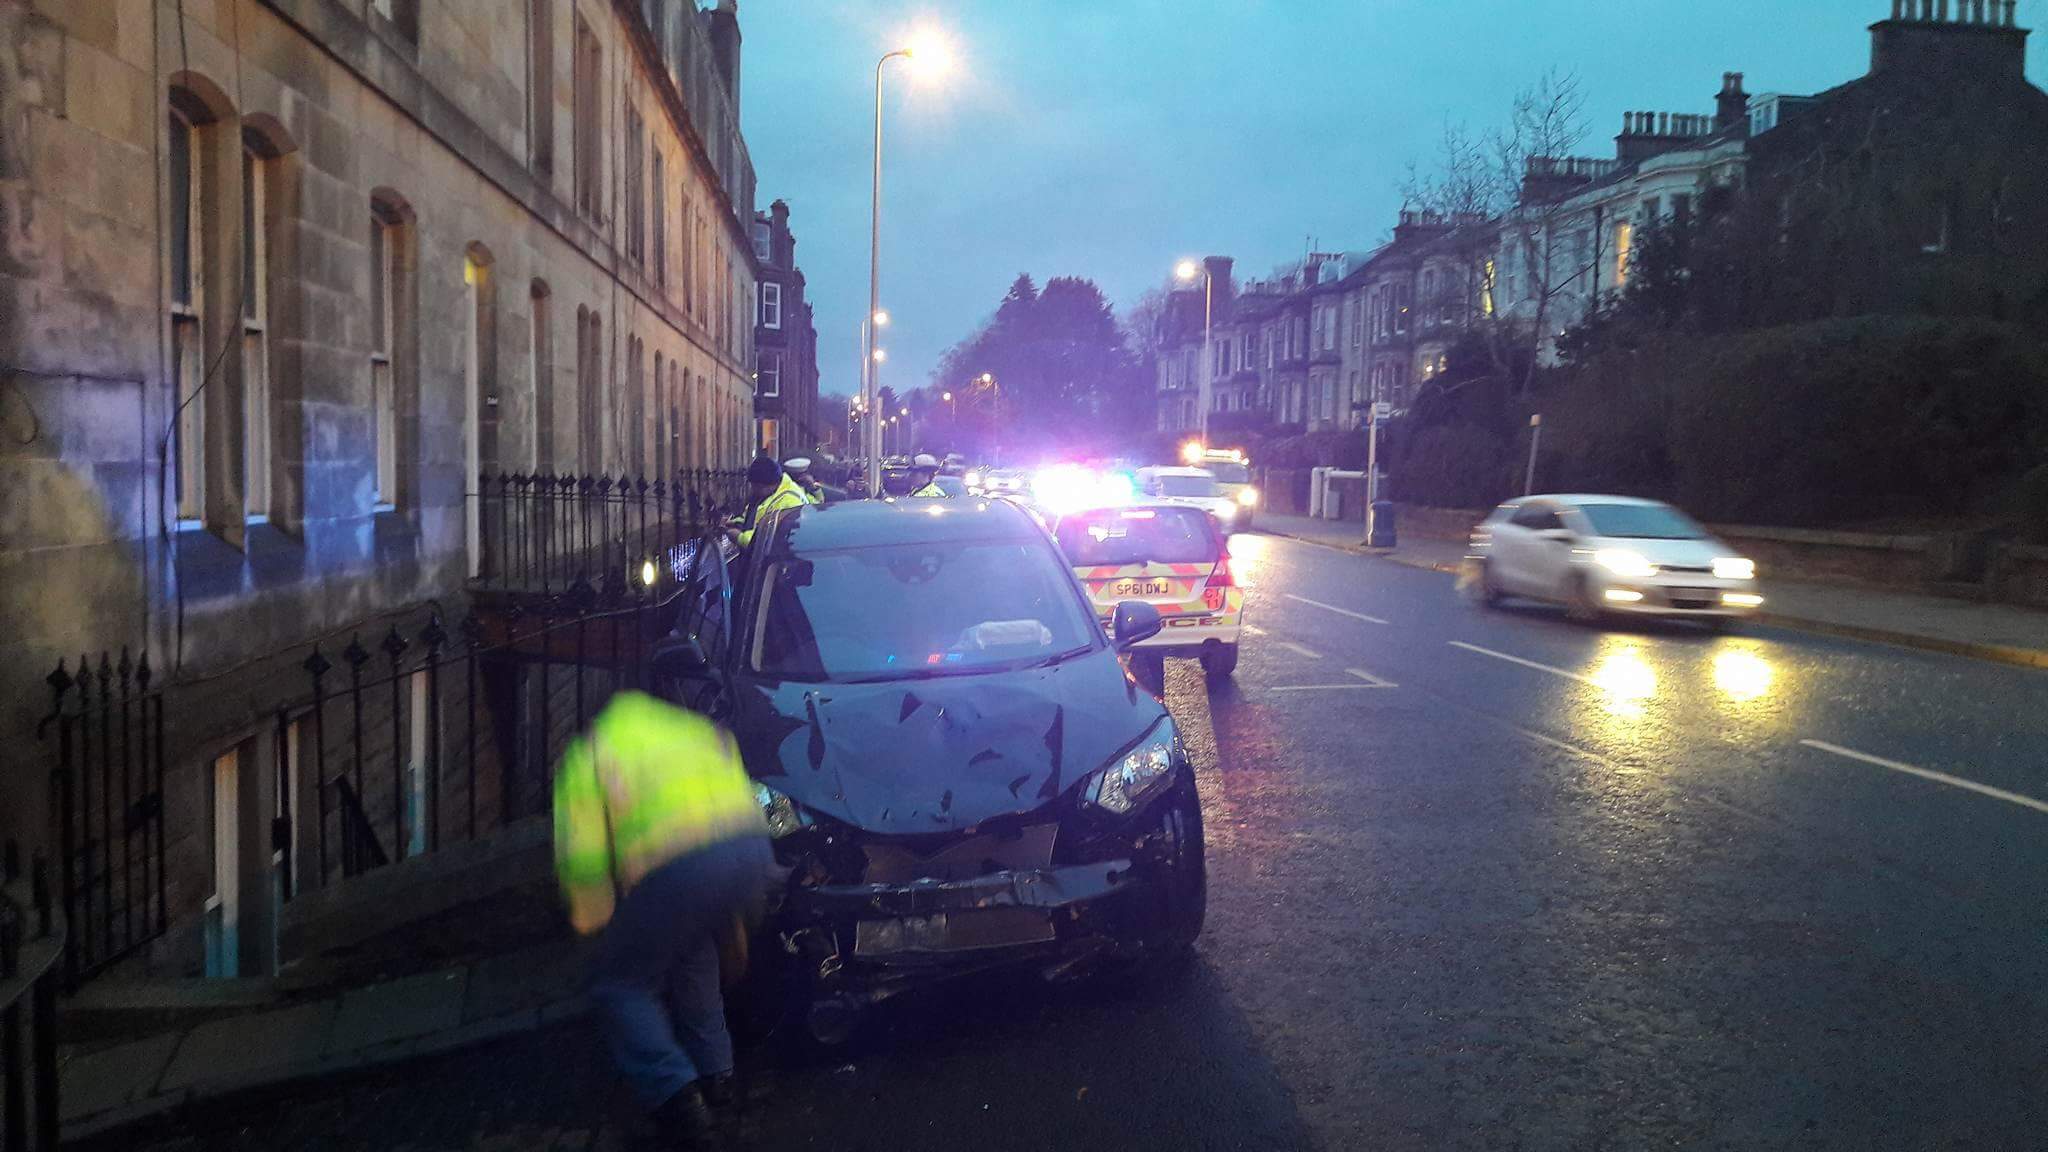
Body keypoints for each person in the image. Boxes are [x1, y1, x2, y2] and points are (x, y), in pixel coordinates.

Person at [554, 692, 770, 1150]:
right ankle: (719, 1077)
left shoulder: (589, 755)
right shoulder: (687, 729)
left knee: (620, 984)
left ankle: (677, 1099)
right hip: (750, 849)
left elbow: (584, 857)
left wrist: (593, 923)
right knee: (694, 952)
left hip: (675, 866)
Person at [730, 455, 808, 548]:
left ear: (767, 484)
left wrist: (739, 537)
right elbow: (752, 516)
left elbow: (771, 541)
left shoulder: (789, 501)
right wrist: (736, 523)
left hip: (777, 560)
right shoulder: (767, 494)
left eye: (756, 486)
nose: (753, 489)